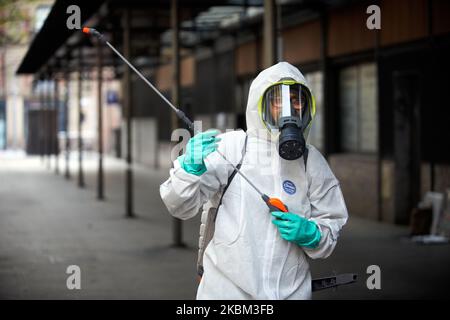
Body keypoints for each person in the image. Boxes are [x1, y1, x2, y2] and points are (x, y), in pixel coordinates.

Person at [160, 61, 348, 299]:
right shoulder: (233, 148)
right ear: (261, 104)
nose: (288, 109)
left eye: (296, 100)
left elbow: (331, 224)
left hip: (290, 292)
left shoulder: (312, 162)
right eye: (278, 100)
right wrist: (189, 170)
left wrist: (312, 233)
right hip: (226, 292)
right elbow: (179, 206)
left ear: (307, 108)